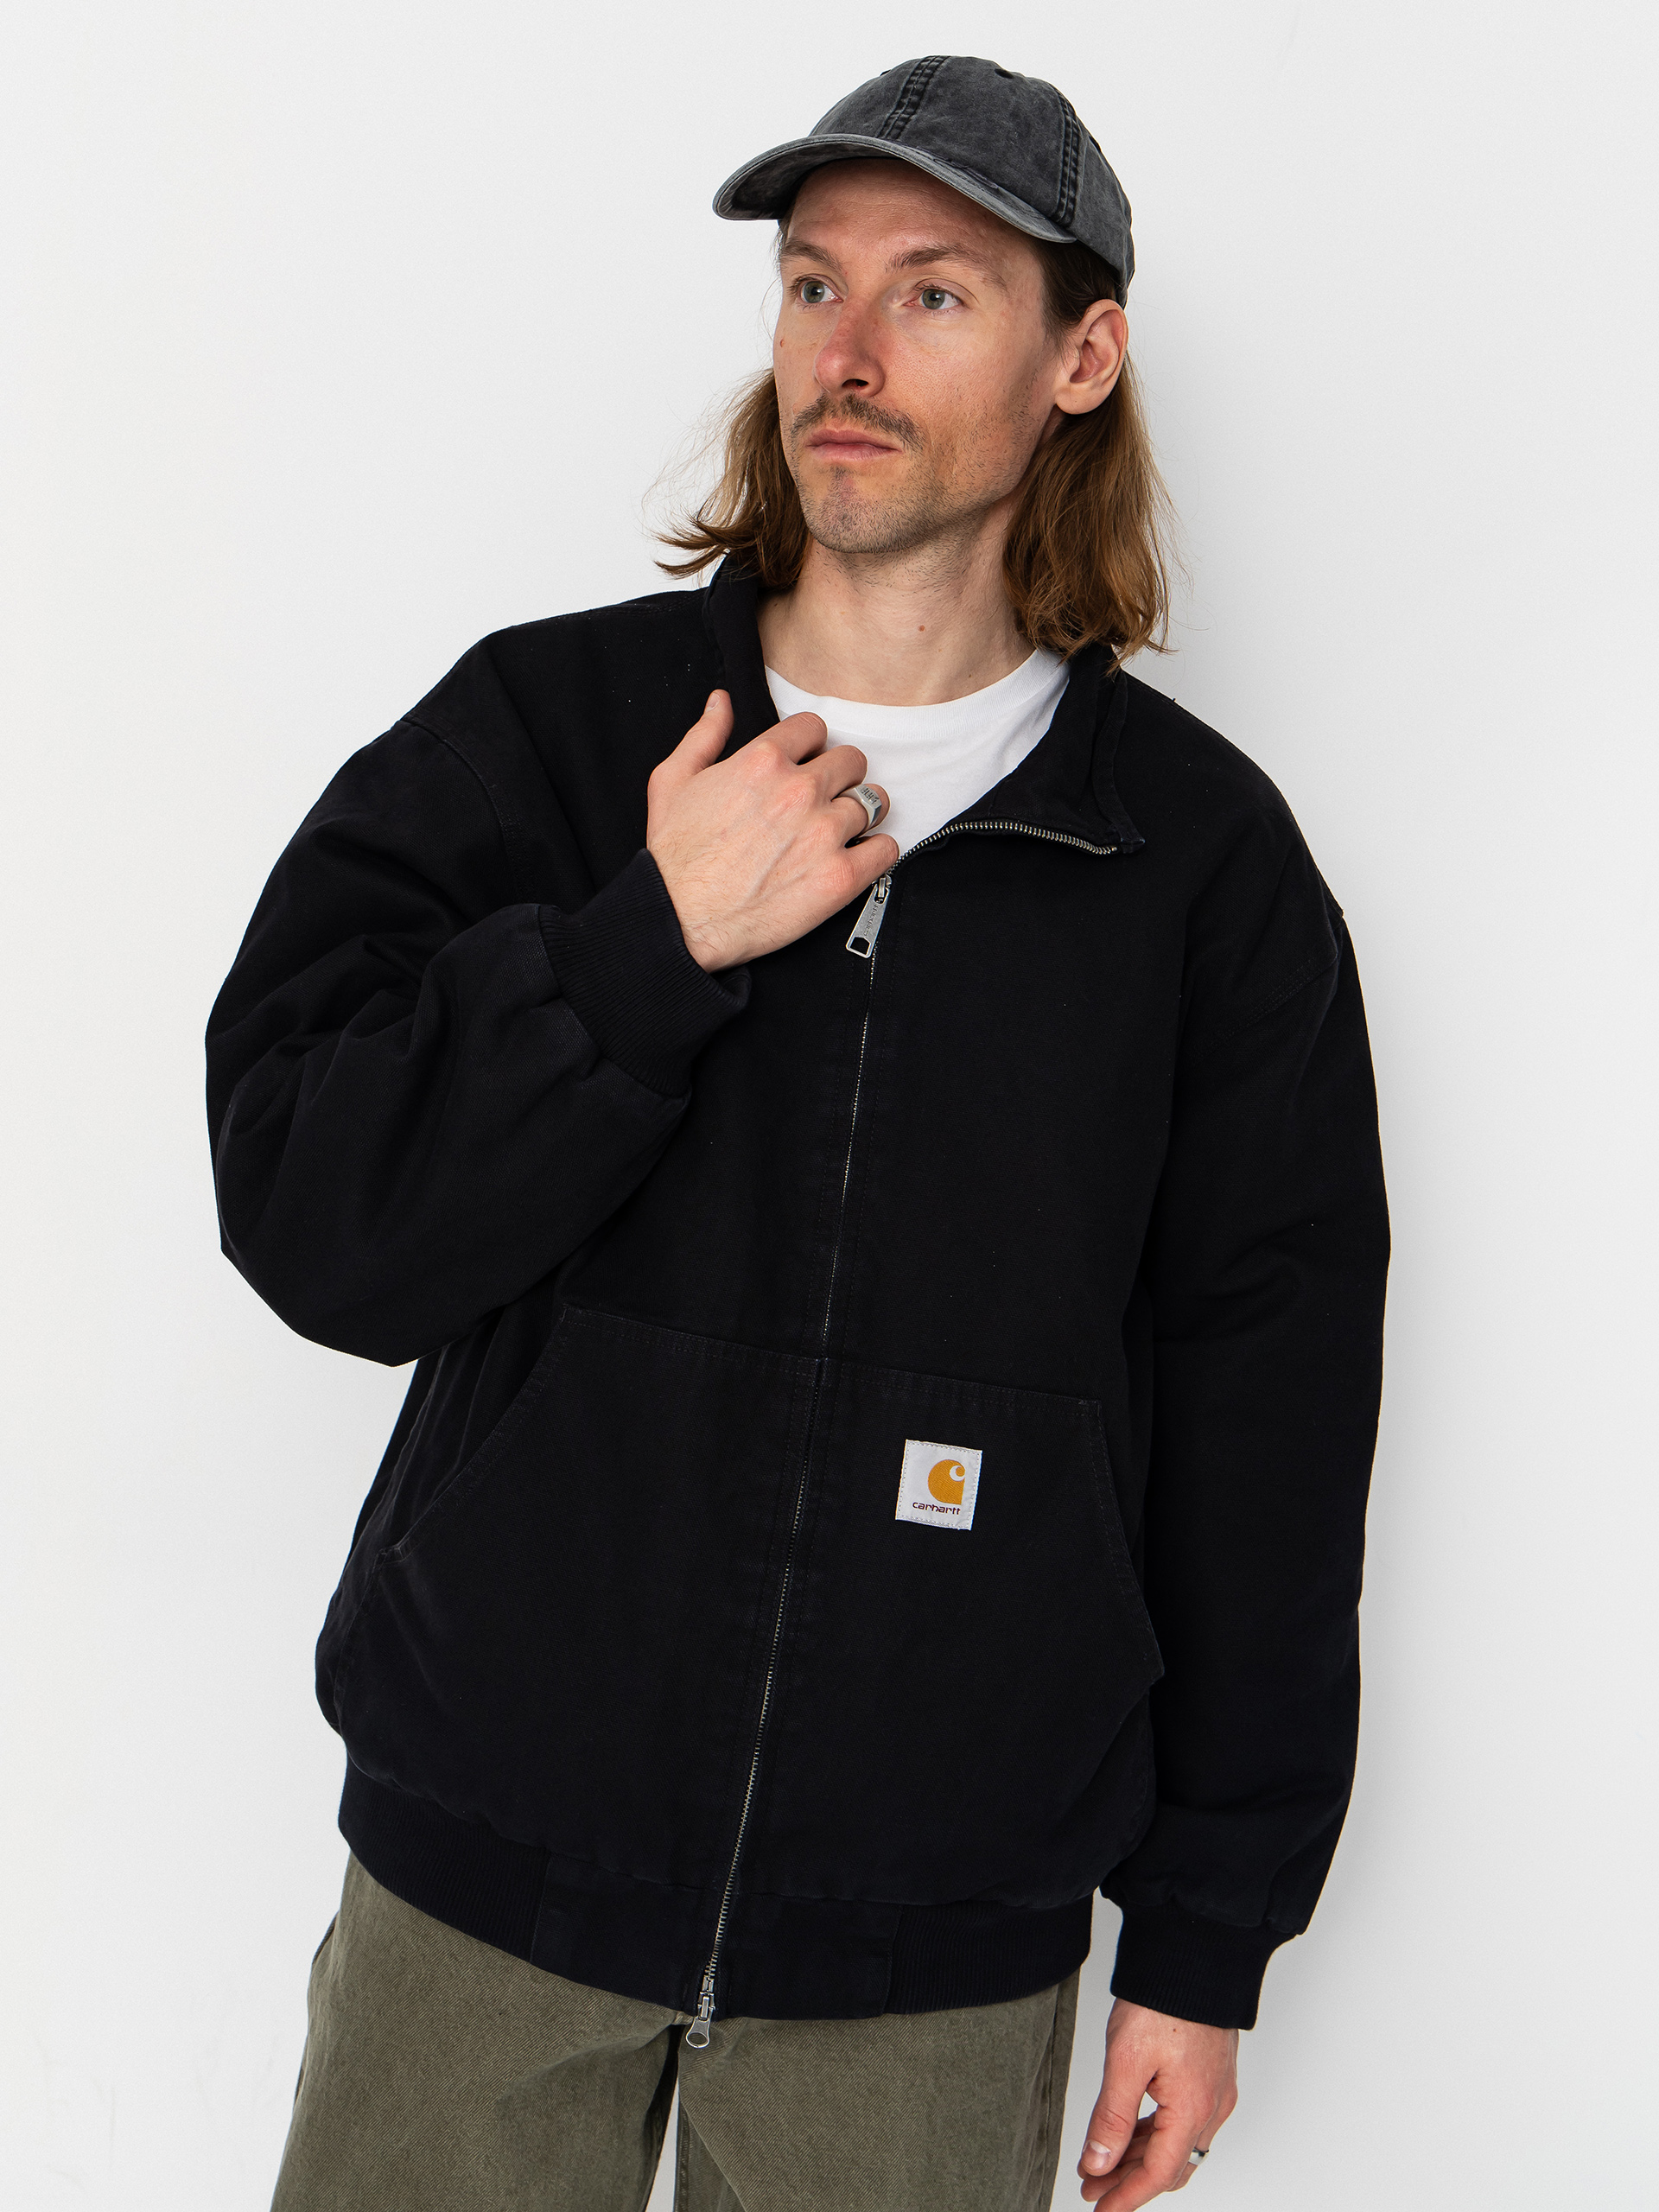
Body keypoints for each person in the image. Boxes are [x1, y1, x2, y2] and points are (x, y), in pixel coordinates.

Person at [207, 54, 1388, 2212]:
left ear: (1081, 358)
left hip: (932, 1946)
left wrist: (1204, 1939)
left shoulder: (1199, 869)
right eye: (814, 281)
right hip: (482, 1876)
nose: (847, 351)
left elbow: (1273, 1421)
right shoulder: (551, 737)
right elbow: (309, 1211)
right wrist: (641, 951)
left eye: (934, 293)